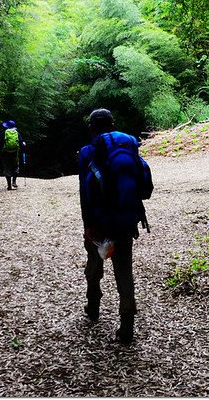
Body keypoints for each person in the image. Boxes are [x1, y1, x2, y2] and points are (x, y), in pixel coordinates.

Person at [78, 108, 152, 344]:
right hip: (125, 219)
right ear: (113, 125)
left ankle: (93, 305)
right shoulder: (128, 147)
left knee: (95, 263)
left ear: (92, 128)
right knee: (124, 271)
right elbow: (144, 187)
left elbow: (85, 192)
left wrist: (88, 224)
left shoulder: (88, 152)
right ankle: (127, 323)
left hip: (100, 221)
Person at [0, 120, 26, 190]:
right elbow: (21, 142)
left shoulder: (5, 133)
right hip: (15, 153)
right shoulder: (17, 133)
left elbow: (1, 143)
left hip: (6, 153)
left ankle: (9, 185)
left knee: (7, 168)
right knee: (15, 167)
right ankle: (14, 181)